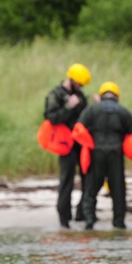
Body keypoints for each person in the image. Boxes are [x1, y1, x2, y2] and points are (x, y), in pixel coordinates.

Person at [76, 81, 132, 230]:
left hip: (96, 154)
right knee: (118, 190)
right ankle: (118, 222)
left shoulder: (91, 110)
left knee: (91, 189)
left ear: (101, 95)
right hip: (115, 155)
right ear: (116, 96)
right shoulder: (123, 111)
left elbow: (79, 129)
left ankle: (89, 220)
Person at [44, 63, 90, 228]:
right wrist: (69, 107)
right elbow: (52, 118)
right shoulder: (55, 95)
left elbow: (86, 115)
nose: (80, 87)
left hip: (80, 143)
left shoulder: (81, 95)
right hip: (65, 144)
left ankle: (82, 212)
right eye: (78, 84)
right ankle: (64, 218)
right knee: (67, 180)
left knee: (88, 177)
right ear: (70, 79)